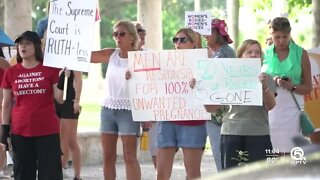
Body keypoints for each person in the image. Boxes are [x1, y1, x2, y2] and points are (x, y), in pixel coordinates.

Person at [1, 30, 65, 180]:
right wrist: (4, 132)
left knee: (50, 175)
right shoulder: (11, 72)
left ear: (37, 46)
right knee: (23, 175)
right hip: (20, 132)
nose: (23, 47)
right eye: (20, 44)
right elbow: (7, 104)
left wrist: (63, 80)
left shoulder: (50, 68)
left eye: (28, 43)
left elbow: (60, 99)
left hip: (47, 131)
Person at [202, 39, 276, 169]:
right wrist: (200, 89)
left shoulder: (266, 78)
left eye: (257, 52)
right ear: (240, 56)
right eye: (249, 52)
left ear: (261, 57)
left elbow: (270, 106)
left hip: (258, 134)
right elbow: (210, 108)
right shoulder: (227, 77)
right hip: (231, 133)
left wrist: (264, 88)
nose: (253, 55)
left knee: (261, 175)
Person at [90, 20, 141, 180]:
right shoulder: (110, 54)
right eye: (115, 34)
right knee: (108, 156)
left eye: (122, 34)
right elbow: (85, 57)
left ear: (132, 37)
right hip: (108, 109)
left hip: (129, 110)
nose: (118, 37)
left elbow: (151, 82)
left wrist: (136, 75)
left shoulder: (140, 58)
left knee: (130, 155)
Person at [156, 28, 207, 180]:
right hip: (167, 119)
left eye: (183, 40)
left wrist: (200, 83)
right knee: (161, 173)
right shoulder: (163, 61)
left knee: (192, 173)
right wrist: (132, 75)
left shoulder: (204, 63)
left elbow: (213, 88)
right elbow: (149, 82)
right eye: (175, 40)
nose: (178, 43)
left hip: (193, 121)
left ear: (193, 43)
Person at [261, 17, 312, 154]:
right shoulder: (264, 54)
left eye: (285, 36)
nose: (281, 40)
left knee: (293, 153)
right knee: (272, 153)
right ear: (271, 35)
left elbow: (308, 87)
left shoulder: (301, 53)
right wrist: (272, 82)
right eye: (277, 37)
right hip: (270, 109)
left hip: (293, 108)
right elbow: (259, 82)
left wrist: (292, 86)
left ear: (290, 34)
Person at [202, 18, 236, 172]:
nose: (205, 35)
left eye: (208, 31)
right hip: (214, 114)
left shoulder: (226, 53)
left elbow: (218, 81)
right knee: (219, 156)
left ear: (217, 33)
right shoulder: (214, 53)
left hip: (223, 115)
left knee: (224, 158)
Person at [133, 22, 157, 168]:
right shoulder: (119, 56)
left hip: (149, 107)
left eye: (144, 30)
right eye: (139, 31)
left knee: (155, 148)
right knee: (130, 151)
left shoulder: (150, 55)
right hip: (127, 109)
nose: (143, 34)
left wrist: (148, 113)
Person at [56, 70, 82, 180]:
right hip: (54, 99)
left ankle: (76, 174)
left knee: (69, 140)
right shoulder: (49, 57)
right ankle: (60, 169)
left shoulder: (71, 58)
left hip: (69, 101)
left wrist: (77, 100)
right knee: (58, 137)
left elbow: (79, 80)